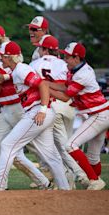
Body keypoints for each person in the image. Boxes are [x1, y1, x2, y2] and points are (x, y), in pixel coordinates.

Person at [0, 24, 50, 192]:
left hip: (18, 109)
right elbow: (3, 87)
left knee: (30, 149)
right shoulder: (0, 58)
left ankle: (59, 176)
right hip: (8, 108)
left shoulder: (5, 57)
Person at [0, 41, 70, 191]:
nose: (0, 60)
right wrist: (4, 78)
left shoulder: (21, 70)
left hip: (37, 112)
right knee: (51, 156)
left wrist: (42, 110)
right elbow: (13, 75)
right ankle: (65, 189)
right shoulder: (17, 70)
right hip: (42, 112)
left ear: (10, 57)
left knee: (7, 145)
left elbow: (43, 85)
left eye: (3, 57)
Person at [29, 35, 88, 188]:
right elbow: (69, 87)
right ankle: (71, 179)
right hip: (68, 106)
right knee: (67, 145)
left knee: (61, 147)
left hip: (51, 105)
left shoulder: (34, 63)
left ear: (43, 49)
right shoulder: (63, 64)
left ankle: (80, 175)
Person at [49, 42, 108, 190]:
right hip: (100, 114)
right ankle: (96, 184)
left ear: (77, 58)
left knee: (70, 145)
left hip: (99, 115)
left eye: (67, 57)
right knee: (93, 156)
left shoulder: (83, 74)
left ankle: (94, 180)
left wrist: (44, 88)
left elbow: (65, 95)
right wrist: (46, 83)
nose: (65, 59)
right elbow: (64, 86)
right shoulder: (75, 70)